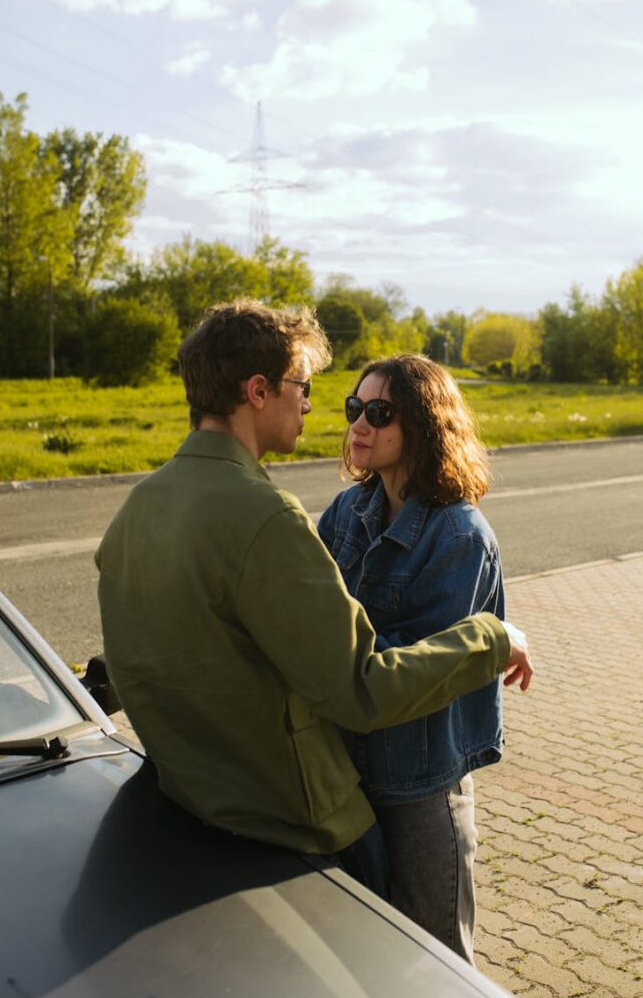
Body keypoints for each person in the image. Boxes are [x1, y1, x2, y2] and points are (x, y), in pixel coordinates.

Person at [96, 301, 533, 901]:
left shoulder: (139, 504)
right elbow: (361, 684)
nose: (313, 405)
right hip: (295, 817)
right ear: (257, 391)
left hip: (200, 802)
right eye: (303, 387)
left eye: (375, 412)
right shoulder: (270, 517)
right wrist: (494, 638)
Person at [318, 354, 523, 961]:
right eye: (354, 407)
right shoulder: (345, 512)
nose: (359, 424)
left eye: (379, 413)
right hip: (343, 776)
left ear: (426, 424)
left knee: (436, 965)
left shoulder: (460, 535)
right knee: (360, 955)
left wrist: (330, 653)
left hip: (416, 786)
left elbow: (423, 671)